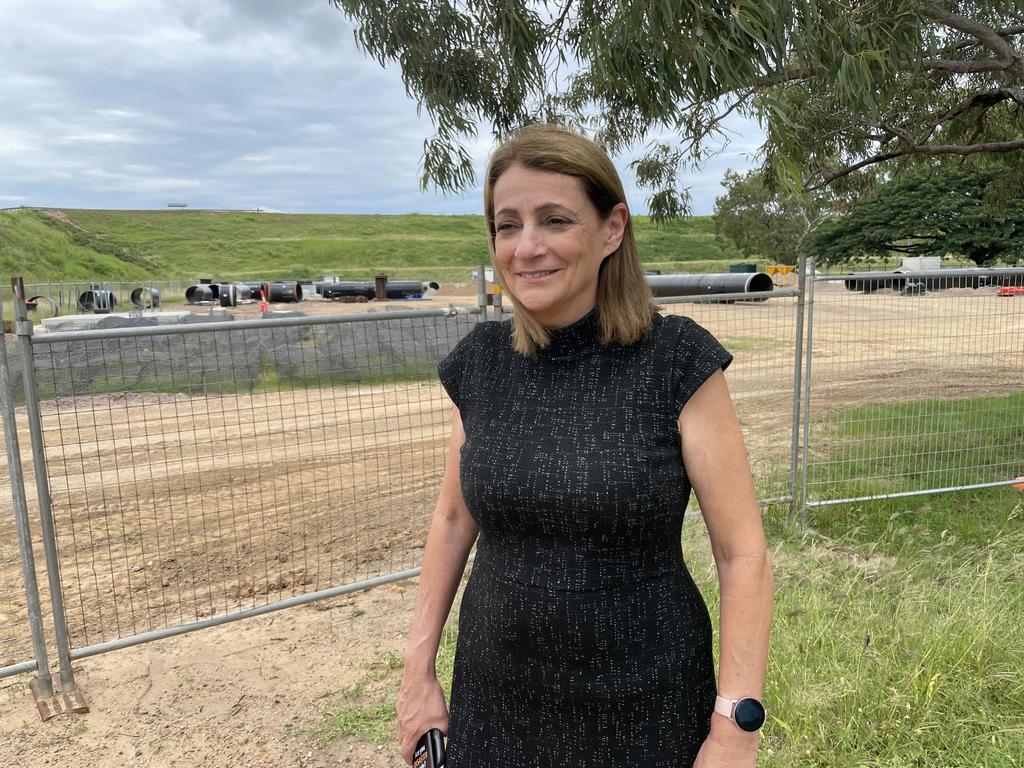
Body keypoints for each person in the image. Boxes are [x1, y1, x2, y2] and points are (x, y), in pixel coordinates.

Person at [397, 124, 773, 767]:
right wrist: (417, 672)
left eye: (555, 220)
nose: (527, 246)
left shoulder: (677, 361)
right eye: (507, 224)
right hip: (496, 705)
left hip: (646, 710)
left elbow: (743, 554)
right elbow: (453, 518)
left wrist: (735, 728)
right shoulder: (481, 365)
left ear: (612, 229)